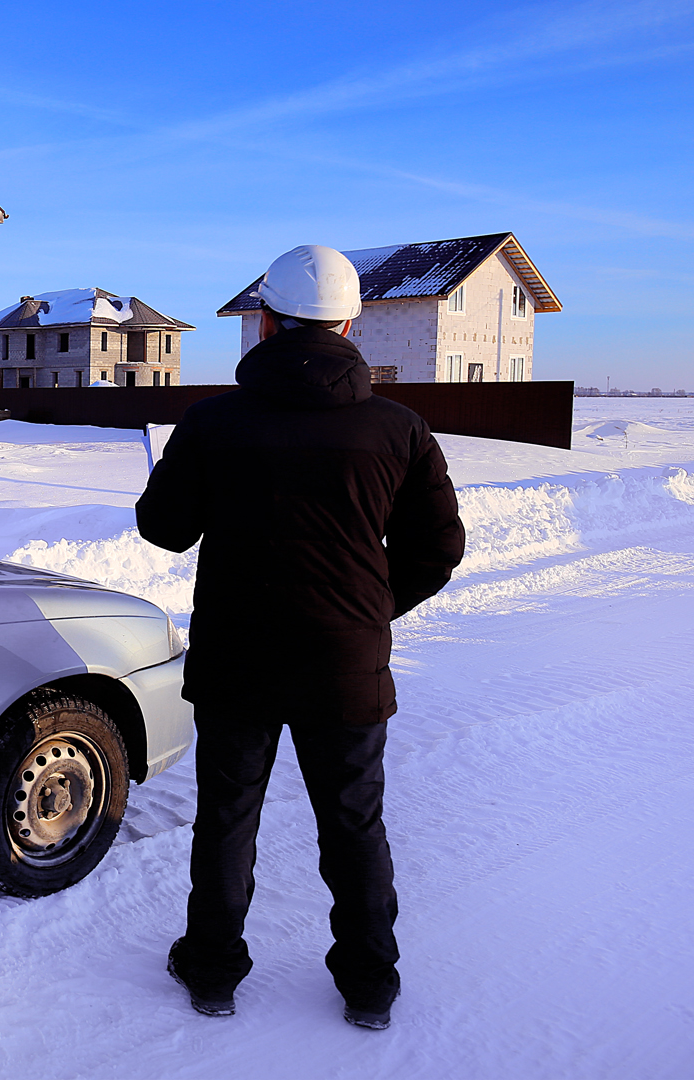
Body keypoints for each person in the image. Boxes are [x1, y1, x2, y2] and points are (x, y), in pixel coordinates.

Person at [137, 245, 465, 1029]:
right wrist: (368, 608)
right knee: (353, 822)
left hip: (236, 662)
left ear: (267, 322)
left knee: (226, 819)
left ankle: (213, 971)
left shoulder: (214, 419)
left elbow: (164, 529)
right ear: (350, 322)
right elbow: (440, 548)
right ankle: (369, 985)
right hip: (344, 664)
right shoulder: (400, 427)